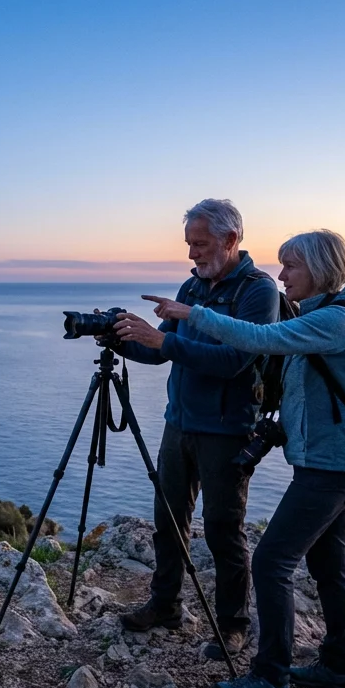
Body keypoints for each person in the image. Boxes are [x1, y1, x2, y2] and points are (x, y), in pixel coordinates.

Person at [142, 229, 345, 688]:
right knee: (329, 565)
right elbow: (306, 394)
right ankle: (339, 666)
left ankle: (270, 679)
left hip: (328, 468)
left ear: (322, 270)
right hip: (327, 463)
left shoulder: (334, 321)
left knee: (272, 562)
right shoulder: (322, 317)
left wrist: (191, 315)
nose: (283, 275)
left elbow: (260, 339)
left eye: (293, 267)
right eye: (282, 266)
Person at [109, 199, 280, 661]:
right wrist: (122, 339)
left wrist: (162, 339)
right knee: (168, 520)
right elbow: (163, 350)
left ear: (230, 240)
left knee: (225, 530)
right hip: (179, 422)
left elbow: (235, 361)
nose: (192, 255)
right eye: (189, 245)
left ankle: (233, 625)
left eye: (200, 245)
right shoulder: (193, 286)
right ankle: (166, 605)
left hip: (227, 429)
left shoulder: (257, 292)